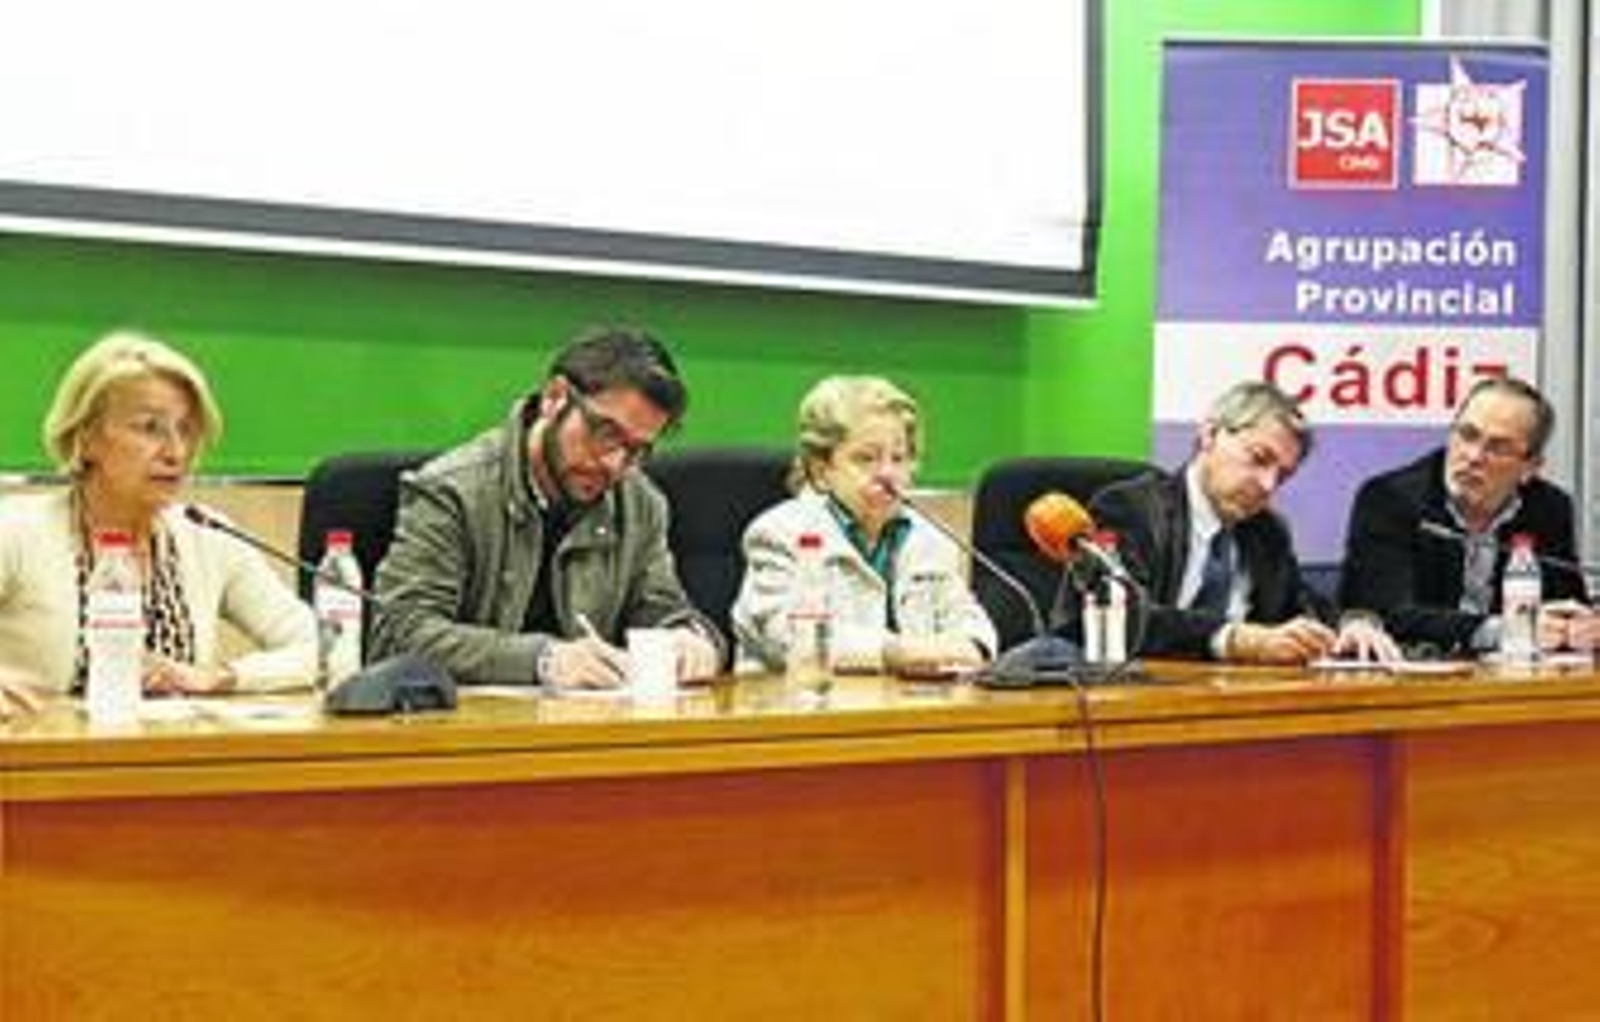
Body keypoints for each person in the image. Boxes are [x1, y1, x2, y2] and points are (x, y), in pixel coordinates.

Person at [369, 325, 722, 688]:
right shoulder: (453, 491)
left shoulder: (639, 503)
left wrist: (689, 638)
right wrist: (542, 659)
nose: (615, 464)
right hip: (463, 734)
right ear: (555, 398)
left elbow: (659, 608)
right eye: (607, 434)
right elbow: (400, 633)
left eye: (637, 450)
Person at [0, 330, 317, 695]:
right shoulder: (19, 532)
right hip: (43, 749)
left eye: (186, 430)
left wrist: (223, 677)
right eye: (150, 428)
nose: (176, 452)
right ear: (86, 437)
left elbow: (322, 646)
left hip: (170, 749)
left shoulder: (207, 537)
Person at [1057, 380, 1396, 664]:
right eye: (1259, 459)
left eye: (1283, 475)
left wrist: (1352, 625)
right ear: (1210, 435)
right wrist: (1233, 638)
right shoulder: (1131, 508)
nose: (1268, 485)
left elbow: (1303, 607)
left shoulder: (1267, 531)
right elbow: (1122, 614)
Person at [731, 376, 997, 675]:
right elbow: (789, 638)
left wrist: (974, 646)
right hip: (797, 709)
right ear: (821, 471)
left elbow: (969, 619)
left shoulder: (930, 537)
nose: (887, 473)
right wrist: (893, 652)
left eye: (899, 458)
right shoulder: (778, 534)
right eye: (866, 459)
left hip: (907, 710)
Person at [1339, 376, 1597, 655]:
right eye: (1467, 434)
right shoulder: (1390, 499)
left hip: (1516, 683)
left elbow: (1565, 600)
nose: (1474, 456)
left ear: (1530, 467)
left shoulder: (1549, 508)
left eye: (1497, 447)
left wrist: (1578, 626)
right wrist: (1503, 631)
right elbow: (1385, 614)